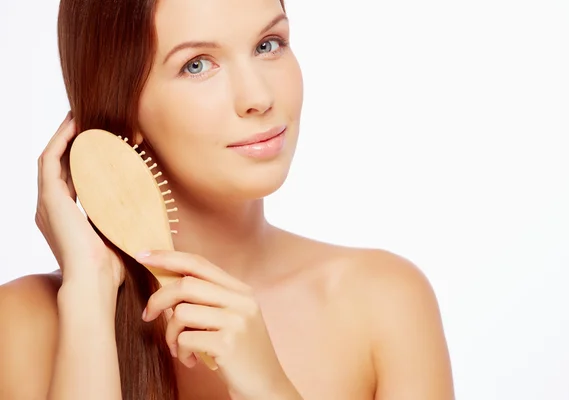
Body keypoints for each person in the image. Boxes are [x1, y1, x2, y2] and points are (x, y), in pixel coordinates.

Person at [0, 0, 454, 398]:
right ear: (123, 109)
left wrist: (269, 389)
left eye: (269, 44)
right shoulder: (22, 325)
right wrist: (89, 296)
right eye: (197, 64)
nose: (258, 97)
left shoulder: (382, 302)